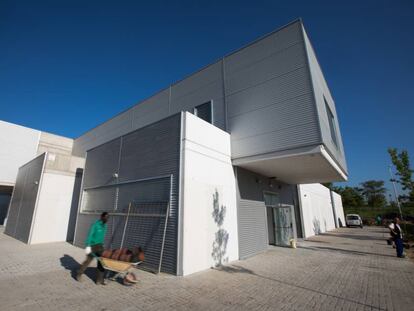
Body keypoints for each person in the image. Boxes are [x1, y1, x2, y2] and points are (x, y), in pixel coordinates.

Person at [76, 212, 109, 284]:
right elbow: (90, 235)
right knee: (88, 261)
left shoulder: (105, 225)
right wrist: (88, 246)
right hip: (92, 246)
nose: (106, 219)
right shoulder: (95, 225)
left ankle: (99, 280)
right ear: (101, 217)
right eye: (105, 217)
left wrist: (102, 244)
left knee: (101, 262)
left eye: (108, 217)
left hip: (100, 246)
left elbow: (102, 236)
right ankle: (79, 274)